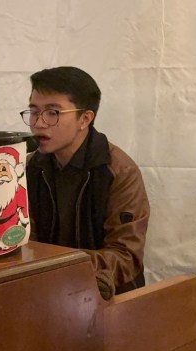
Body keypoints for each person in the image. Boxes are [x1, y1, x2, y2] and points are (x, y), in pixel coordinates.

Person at [23, 66, 150, 300]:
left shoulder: (120, 171)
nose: (38, 123)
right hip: (45, 294)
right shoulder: (27, 169)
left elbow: (126, 257)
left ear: (85, 118)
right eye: (33, 112)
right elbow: (23, 241)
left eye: (53, 113)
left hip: (109, 299)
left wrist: (53, 264)